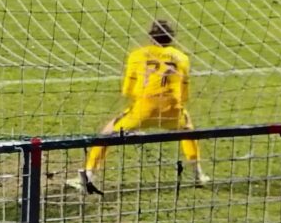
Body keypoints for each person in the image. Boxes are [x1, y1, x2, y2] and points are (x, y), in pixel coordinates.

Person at [67, 20, 210, 195]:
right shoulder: (182, 58)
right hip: (172, 112)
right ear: (172, 38)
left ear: (151, 37)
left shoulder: (137, 55)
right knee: (188, 130)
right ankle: (198, 174)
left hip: (143, 111)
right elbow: (184, 94)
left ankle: (88, 176)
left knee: (107, 133)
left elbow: (128, 90)